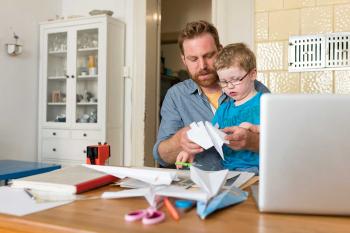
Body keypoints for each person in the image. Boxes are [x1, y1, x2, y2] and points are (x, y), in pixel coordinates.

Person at [153, 20, 269, 170]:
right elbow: (161, 156)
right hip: (200, 186)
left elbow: (282, 144)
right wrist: (179, 141)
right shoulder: (176, 96)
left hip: (251, 178)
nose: (202, 66)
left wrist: (251, 141)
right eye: (193, 59)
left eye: (208, 56)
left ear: (220, 52)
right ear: (184, 60)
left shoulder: (254, 89)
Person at [176, 43, 262, 174]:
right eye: (224, 82)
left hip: (258, 170)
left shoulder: (265, 103)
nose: (229, 86)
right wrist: (189, 150)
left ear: (252, 74)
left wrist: (254, 129)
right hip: (227, 171)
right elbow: (210, 134)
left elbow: (279, 137)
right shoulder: (223, 109)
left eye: (235, 80)